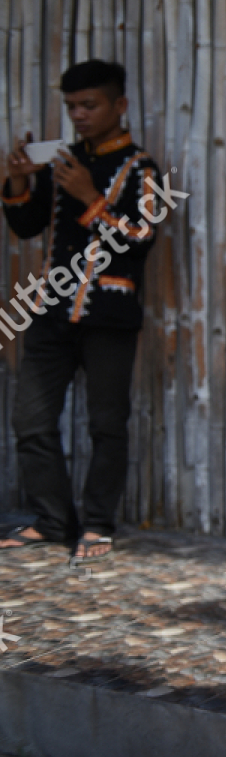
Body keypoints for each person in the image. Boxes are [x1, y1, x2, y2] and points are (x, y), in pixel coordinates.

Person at [1, 60, 163, 564]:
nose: (79, 115)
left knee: (106, 425)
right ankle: (52, 520)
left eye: (89, 105)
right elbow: (26, 226)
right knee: (29, 419)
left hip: (110, 318)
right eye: (72, 107)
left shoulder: (144, 170)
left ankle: (96, 523)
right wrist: (16, 181)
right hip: (51, 314)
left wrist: (90, 198)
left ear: (119, 105)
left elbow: (140, 240)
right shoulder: (65, 161)